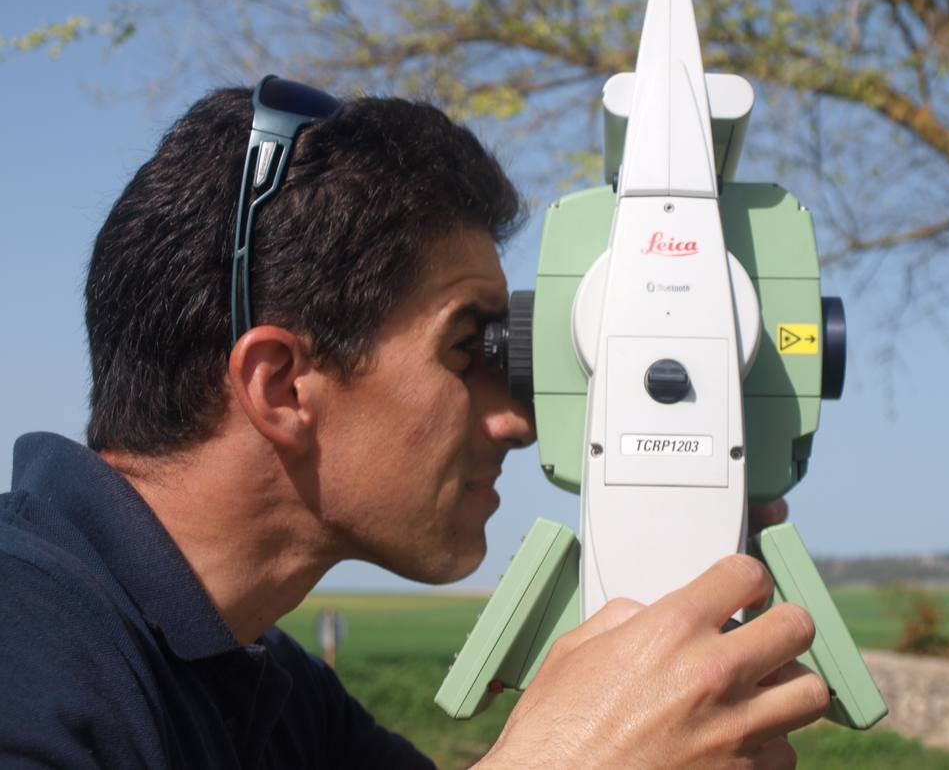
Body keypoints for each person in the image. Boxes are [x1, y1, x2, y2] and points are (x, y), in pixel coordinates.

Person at [0, 78, 828, 768]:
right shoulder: (25, 648)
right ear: (282, 385)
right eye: (473, 346)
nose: (518, 420)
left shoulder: (267, 693)